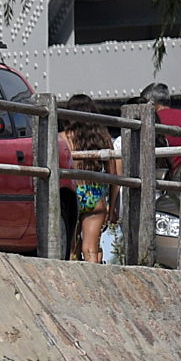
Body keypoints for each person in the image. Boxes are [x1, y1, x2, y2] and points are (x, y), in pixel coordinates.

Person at [66, 110, 118, 264]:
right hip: (94, 193)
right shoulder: (103, 138)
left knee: (71, 249)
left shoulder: (63, 137)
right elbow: (113, 176)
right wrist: (112, 207)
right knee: (91, 250)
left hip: (73, 192)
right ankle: (94, 285)